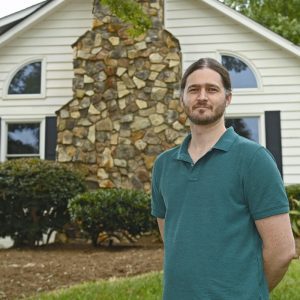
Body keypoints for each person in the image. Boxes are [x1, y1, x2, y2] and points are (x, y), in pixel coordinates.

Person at [151, 57, 296, 300]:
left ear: (227, 98)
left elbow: (282, 250)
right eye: (194, 89)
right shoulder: (164, 165)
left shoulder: (254, 159)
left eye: (212, 89)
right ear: (182, 98)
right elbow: (173, 239)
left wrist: (248, 291)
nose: (202, 96)